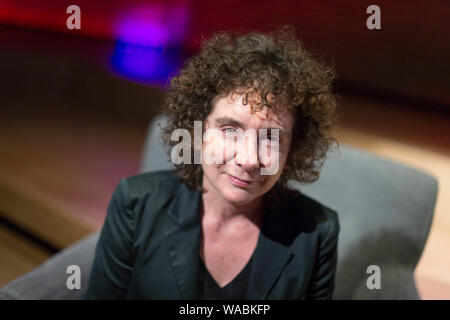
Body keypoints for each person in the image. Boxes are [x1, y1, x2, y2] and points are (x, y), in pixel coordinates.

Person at [84, 26, 340, 300]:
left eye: (271, 139)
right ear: (197, 131)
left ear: (293, 149)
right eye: (230, 130)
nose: (248, 160)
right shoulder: (135, 204)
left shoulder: (316, 231)